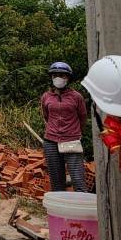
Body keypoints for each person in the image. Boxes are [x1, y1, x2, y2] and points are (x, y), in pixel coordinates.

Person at [41, 62, 89, 193]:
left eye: (62, 75)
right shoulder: (46, 97)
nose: (58, 78)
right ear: (51, 77)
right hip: (51, 141)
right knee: (56, 181)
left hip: (71, 140)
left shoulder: (76, 97)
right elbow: (46, 116)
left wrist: (76, 132)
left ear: (68, 78)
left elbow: (83, 117)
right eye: (55, 75)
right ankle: (60, 212)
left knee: (78, 179)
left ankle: (81, 210)